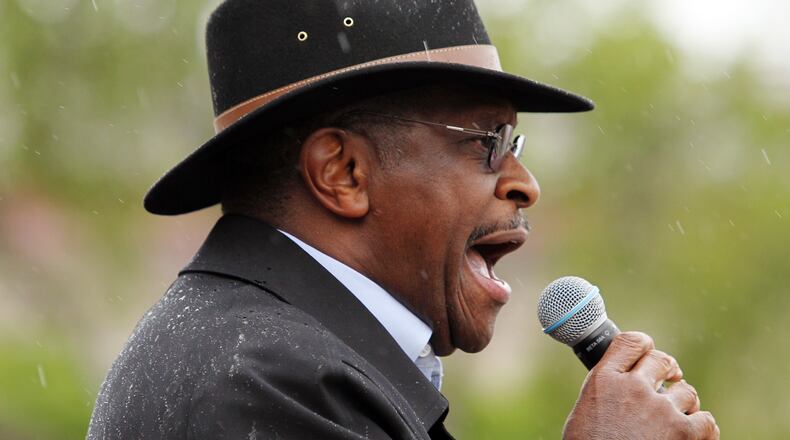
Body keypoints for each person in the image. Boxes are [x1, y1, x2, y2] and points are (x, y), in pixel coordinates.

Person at [88, 0, 719, 439]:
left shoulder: (270, 352)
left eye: (515, 145)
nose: (525, 185)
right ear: (343, 173)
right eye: (486, 141)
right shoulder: (267, 384)